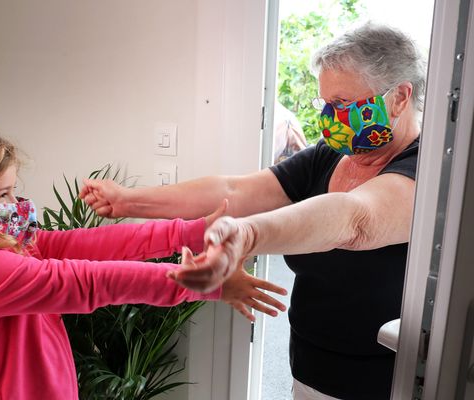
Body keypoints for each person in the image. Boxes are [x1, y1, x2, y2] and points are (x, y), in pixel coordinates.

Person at [80, 22, 425, 399]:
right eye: (325, 103)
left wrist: (247, 234)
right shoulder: (328, 157)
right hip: (310, 371)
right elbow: (234, 191)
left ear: (399, 97)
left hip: (381, 384)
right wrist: (130, 200)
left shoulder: (423, 170)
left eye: (342, 104)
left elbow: (354, 219)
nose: (330, 116)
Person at [0, 118, 288, 400]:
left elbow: (88, 244)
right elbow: (88, 281)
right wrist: (210, 284)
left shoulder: (2, 246)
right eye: (4, 194)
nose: (16, 205)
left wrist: (188, 232)